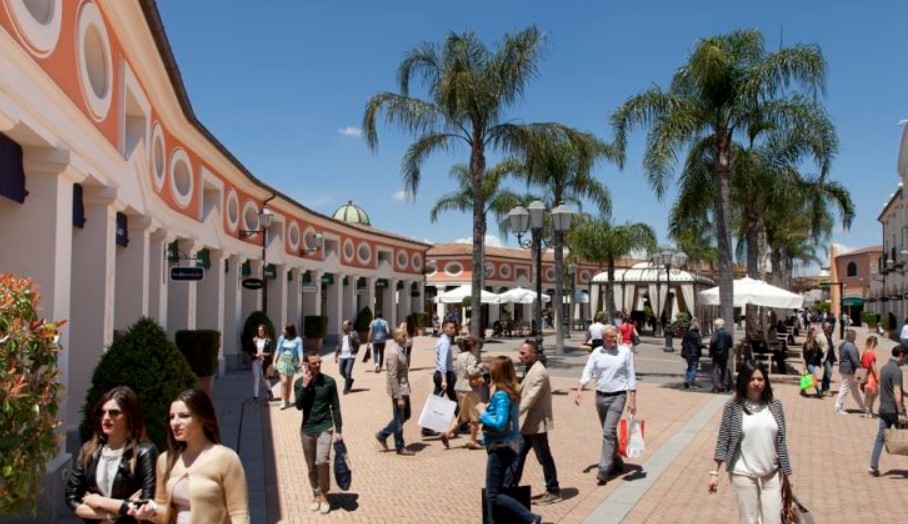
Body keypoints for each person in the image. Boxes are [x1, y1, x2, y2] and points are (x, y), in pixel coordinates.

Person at [130, 390, 248, 523]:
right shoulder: (166, 460)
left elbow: (239, 513)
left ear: (202, 418)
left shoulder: (226, 458)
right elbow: (164, 512)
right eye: (171, 417)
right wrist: (149, 511)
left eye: (184, 416)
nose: (175, 423)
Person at [707, 361, 792, 524]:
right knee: (749, 520)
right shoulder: (733, 406)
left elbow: (781, 442)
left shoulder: (775, 406)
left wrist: (786, 476)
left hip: (771, 472)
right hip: (743, 471)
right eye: (752, 379)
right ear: (744, 380)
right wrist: (714, 473)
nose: (756, 383)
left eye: (760, 379)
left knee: (773, 520)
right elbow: (723, 439)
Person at [65, 386, 158, 523]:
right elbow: (72, 497)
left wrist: (100, 501)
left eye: (114, 413)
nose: (106, 417)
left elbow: (145, 506)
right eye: (102, 413)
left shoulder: (145, 451)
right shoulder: (89, 449)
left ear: (130, 416)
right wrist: (116, 511)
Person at [476, 356, 542, 524]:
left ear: (497, 372)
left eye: (491, 368)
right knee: (494, 490)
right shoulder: (511, 392)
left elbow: (500, 424)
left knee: (493, 494)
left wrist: (482, 413)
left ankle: (530, 517)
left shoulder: (501, 395)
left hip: (500, 447)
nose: (489, 371)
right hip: (507, 445)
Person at [574, 325, 638, 486]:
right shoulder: (597, 352)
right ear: (603, 339)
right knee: (608, 432)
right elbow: (588, 371)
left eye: (615, 336)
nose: (614, 339)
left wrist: (632, 400)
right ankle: (616, 460)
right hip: (601, 397)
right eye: (610, 337)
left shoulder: (625, 352)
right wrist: (580, 389)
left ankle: (604, 469)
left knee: (608, 432)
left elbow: (631, 376)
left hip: (618, 396)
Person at [510, 340, 561, 505]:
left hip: (537, 424)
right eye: (520, 353)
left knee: (543, 458)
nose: (520, 356)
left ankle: (553, 490)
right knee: (517, 455)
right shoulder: (531, 368)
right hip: (528, 423)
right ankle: (509, 489)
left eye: (523, 353)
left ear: (533, 353)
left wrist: (512, 414)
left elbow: (530, 398)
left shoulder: (539, 372)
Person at [294, 352, 343, 514]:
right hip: (307, 429)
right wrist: (305, 385)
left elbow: (335, 406)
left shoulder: (329, 382)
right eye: (314, 363)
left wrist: (338, 429)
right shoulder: (299, 383)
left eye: (319, 362)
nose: (317, 365)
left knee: (322, 461)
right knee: (311, 466)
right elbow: (299, 406)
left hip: (325, 426)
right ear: (307, 365)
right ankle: (316, 494)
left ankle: (324, 494)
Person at [868, 345, 908, 477]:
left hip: (884, 409)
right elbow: (896, 391)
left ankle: (873, 467)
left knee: (880, 438)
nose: (905, 360)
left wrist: (905, 394)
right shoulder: (897, 371)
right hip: (894, 411)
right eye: (905, 357)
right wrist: (901, 412)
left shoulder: (884, 368)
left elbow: (888, 387)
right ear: (901, 355)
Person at [375, 328, 415, 456]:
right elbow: (392, 377)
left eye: (406, 335)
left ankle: (383, 434)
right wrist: (398, 397)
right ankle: (400, 446)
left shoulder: (402, 350)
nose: (406, 338)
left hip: (404, 388)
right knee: (398, 419)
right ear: (396, 337)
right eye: (403, 336)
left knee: (406, 415)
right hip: (399, 390)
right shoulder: (393, 353)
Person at [440, 335, 484, 450]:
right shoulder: (471, 357)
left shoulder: (460, 356)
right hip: (469, 389)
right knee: (475, 415)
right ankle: (473, 441)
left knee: (463, 416)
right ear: (473, 346)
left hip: (459, 388)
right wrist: (480, 367)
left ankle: (447, 433)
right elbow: (471, 371)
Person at [834, 329, 866, 415]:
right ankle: (838, 408)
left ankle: (863, 407)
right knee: (844, 388)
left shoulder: (843, 344)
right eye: (855, 336)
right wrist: (860, 369)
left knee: (854, 390)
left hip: (844, 368)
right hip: (849, 370)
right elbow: (855, 360)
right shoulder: (851, 346)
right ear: (853, 336)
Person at [275, 324, 303, 409]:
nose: (283, 331)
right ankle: (283, 401)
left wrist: (301, 361)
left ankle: (287, 400)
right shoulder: (282, 338)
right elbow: (278, 350)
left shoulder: (298, 340)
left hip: (293, 361)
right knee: (284, 382)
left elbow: (300, 351)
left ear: (289, 331)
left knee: (289, 382)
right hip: (282, 361)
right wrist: (274, 361)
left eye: (285, 329)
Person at [334, 319, 360, 395]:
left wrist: (352, 338)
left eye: (345, 325)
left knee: (348, 372)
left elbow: (358, 343)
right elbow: (338, 346)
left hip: (350, 356)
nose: (343, 326)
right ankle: (350, 380)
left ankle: (346, 388)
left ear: (349, 326)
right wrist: (336, 356)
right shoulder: (340, 334)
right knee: (341, 371)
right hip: (342, 355)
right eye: (343, 325)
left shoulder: (354, 333)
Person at [250, 324, 273, 401]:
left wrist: (261, 354)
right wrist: (255, 355)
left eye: (261, 330)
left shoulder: (268, 341)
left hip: (264, 361)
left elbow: (270, 352)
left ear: (264, 331)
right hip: (256, 361)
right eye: (259, 330)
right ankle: (255, 396)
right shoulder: (255, 340)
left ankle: (269, 390)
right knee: (256, 377)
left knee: (264, 378)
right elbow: (250, 351)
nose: (260, 332)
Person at [709, 318, 733, 393]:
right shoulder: (727, 334)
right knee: (724, 370)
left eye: (715, 325)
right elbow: (730, 345)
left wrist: (711, 352)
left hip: (716, 355)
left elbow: (713, 342)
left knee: (715, 370)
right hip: (725, 355)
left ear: (717, 326)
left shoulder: (715, 334)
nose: (714, 327)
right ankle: (724, 385)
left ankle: (716, 386)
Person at [860, 336, 880, 418]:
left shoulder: (865, 352)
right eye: (876, 343)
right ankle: (868, 411)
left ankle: (868, 411)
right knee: (873, 394)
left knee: (869, 394)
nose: (876, 345)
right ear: (873, 343)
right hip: (871, 376)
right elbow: (873, 366)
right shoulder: (871, 353)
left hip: (865, 375)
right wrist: (877, 376)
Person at [801, 327, 823, 398]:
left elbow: (818, 354)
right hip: (809, 364)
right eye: (815, 333)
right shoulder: (806, 344)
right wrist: (804, 365)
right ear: (811, 335)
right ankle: (818, 391)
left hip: (813, 363)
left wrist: (820, 361)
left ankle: (802, 390)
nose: (816, 335)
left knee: (807, 377)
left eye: (816, 333)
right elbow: (804, 356)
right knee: (813, 377)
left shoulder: (816, 343)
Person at [681, 321, 703, 389]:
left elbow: (683, 343)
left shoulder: (686, 334)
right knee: (694, 368)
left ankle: (686, 380)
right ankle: (691, 382)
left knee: (689, 367)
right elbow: (699, 344)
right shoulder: (697, 335)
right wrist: (704, 346)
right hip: (694, 354)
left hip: (687, 354)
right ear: (696, 327)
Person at [817, 322, 837, 396]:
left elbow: (835, 346)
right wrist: (822, 351)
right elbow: (816, 347)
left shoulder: (833, 335)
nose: (830, 328)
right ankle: (826, 389)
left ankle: (823, 388)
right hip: (825, 357)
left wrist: (837, 355)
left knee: (826, 372)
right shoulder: (819, 336)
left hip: (832, 356)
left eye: (831, 326)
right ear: (824, 328)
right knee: (829, 371)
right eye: (829, 326)